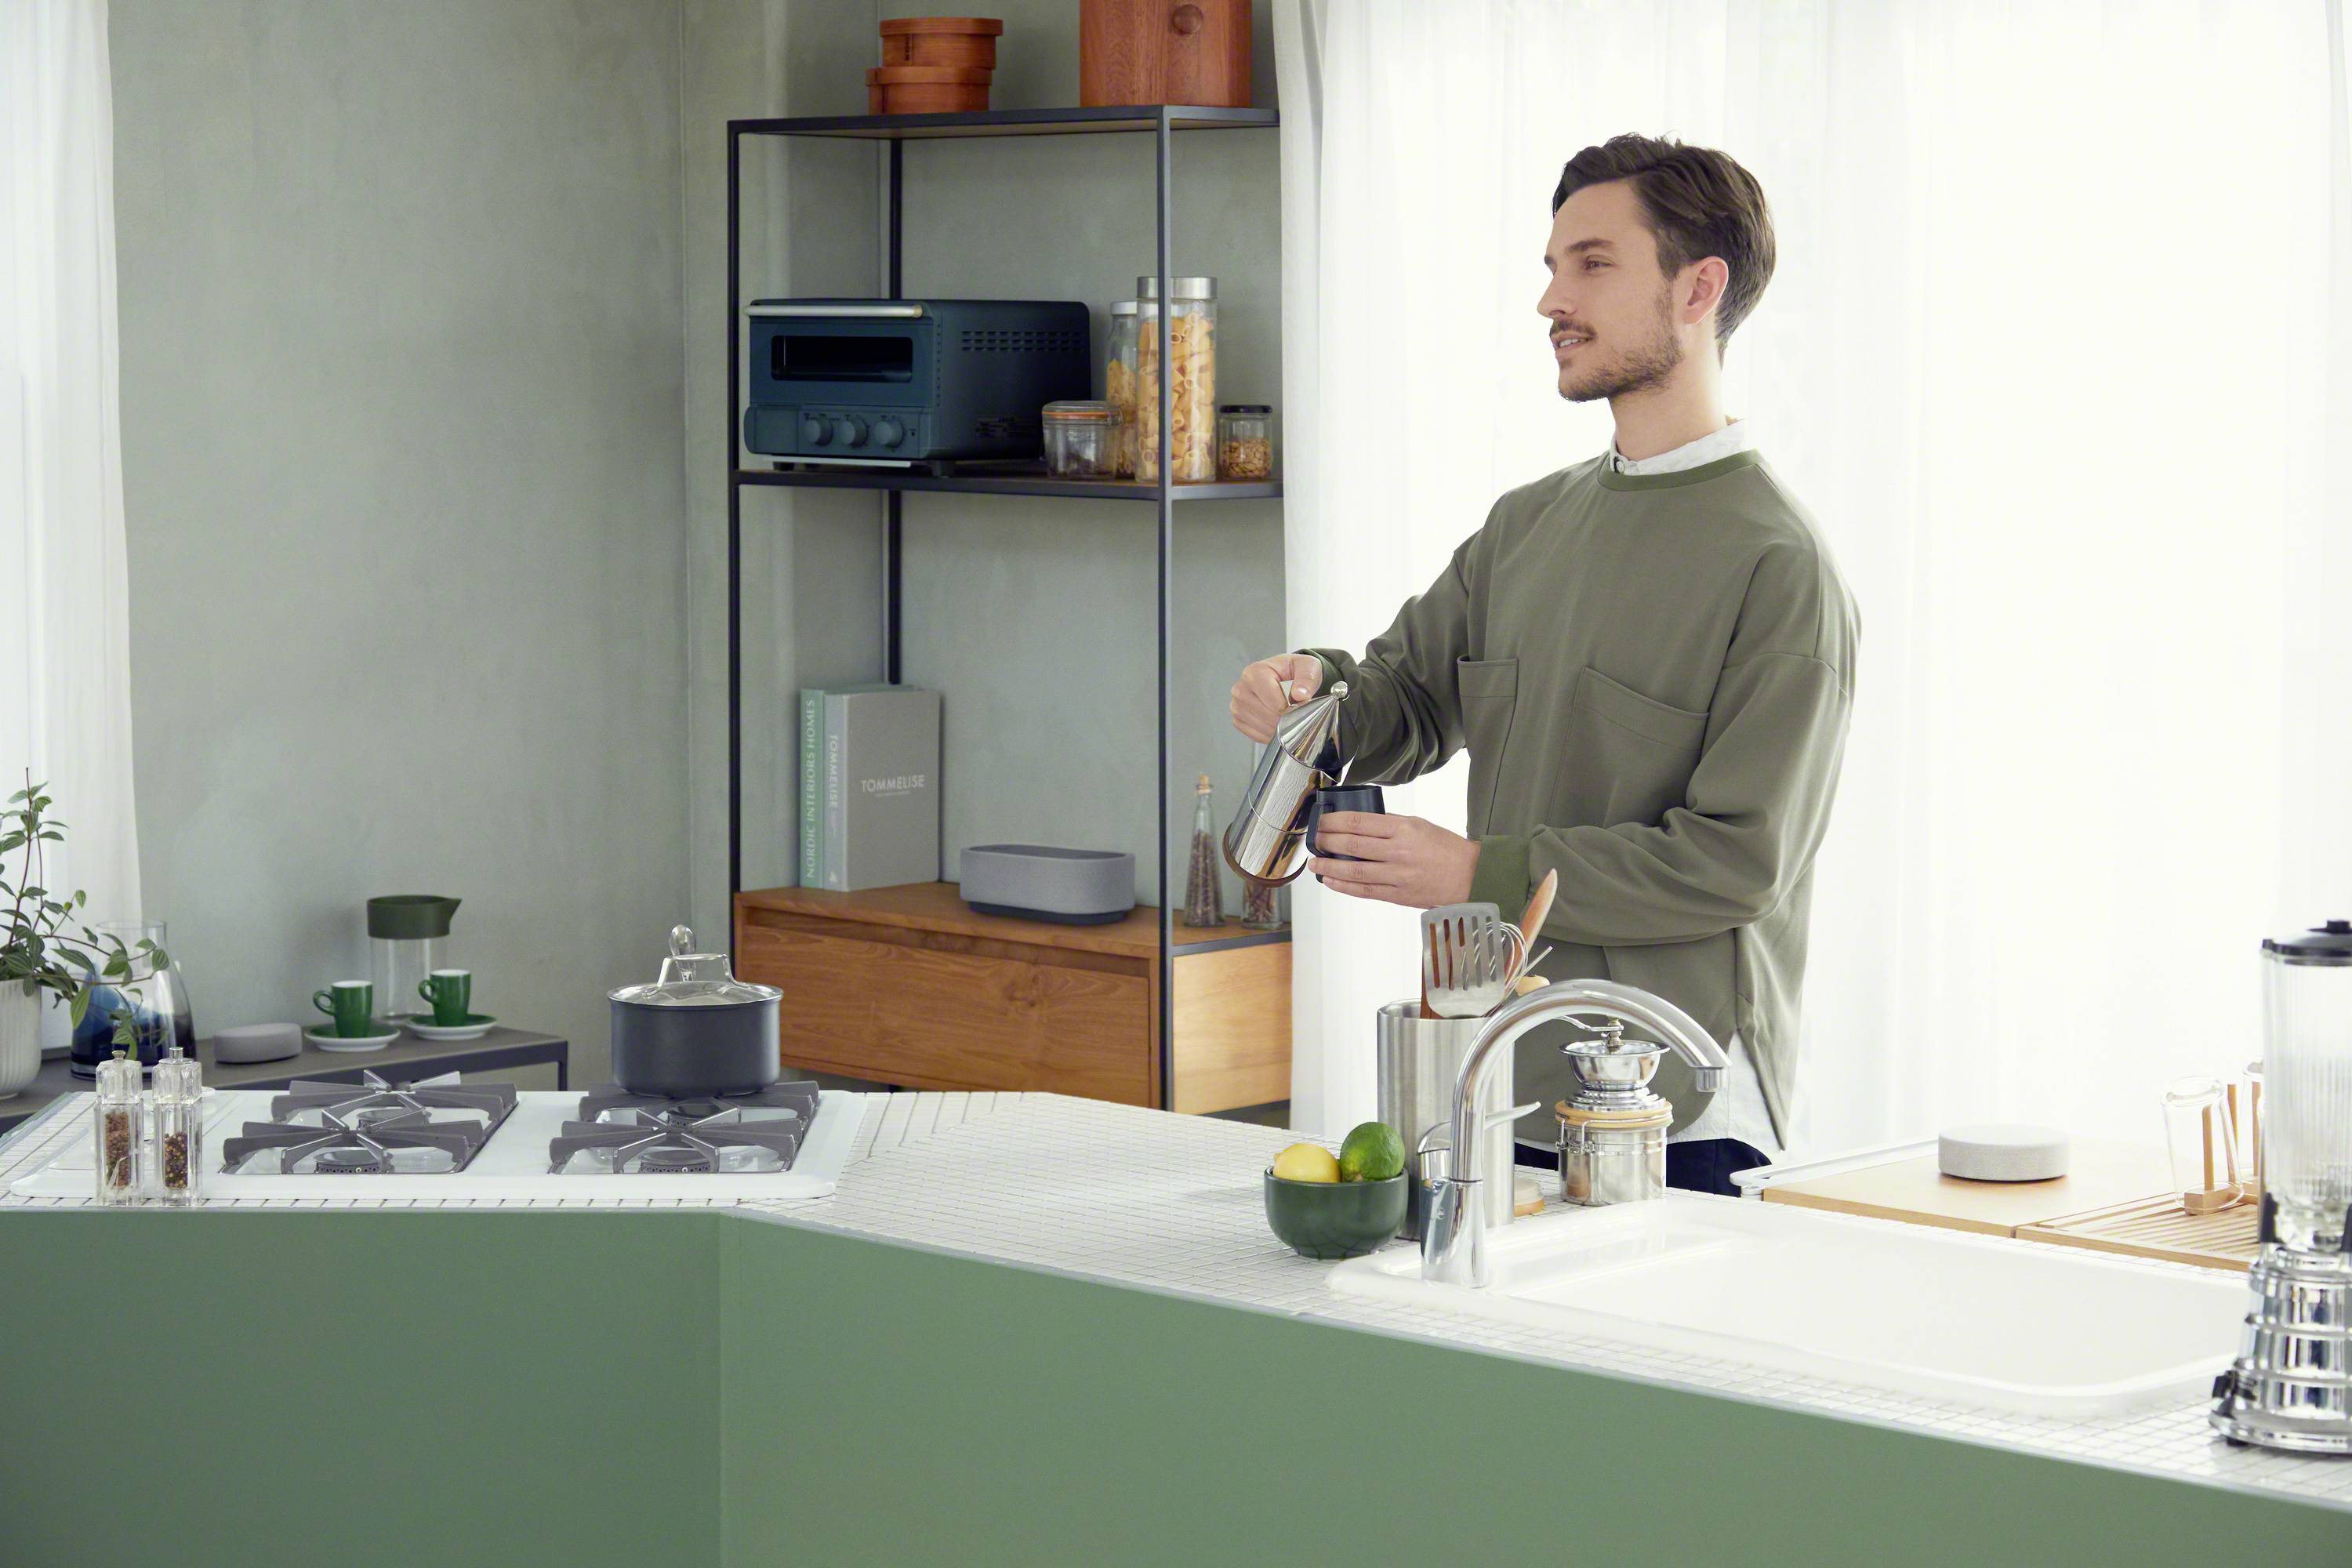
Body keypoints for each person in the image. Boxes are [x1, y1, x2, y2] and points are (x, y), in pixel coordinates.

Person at [1230, 134, 1857, 1194]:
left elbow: (1735, 862)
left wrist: (1480, 875)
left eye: (1594, 264)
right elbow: (1406, 694)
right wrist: (1309, 689)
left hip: (1678, 1105)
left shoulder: (1779, 568)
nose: (1552, 300)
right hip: (1496, 1072)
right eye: (1553, 266)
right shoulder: (1528, 525)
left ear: (1699, 288)